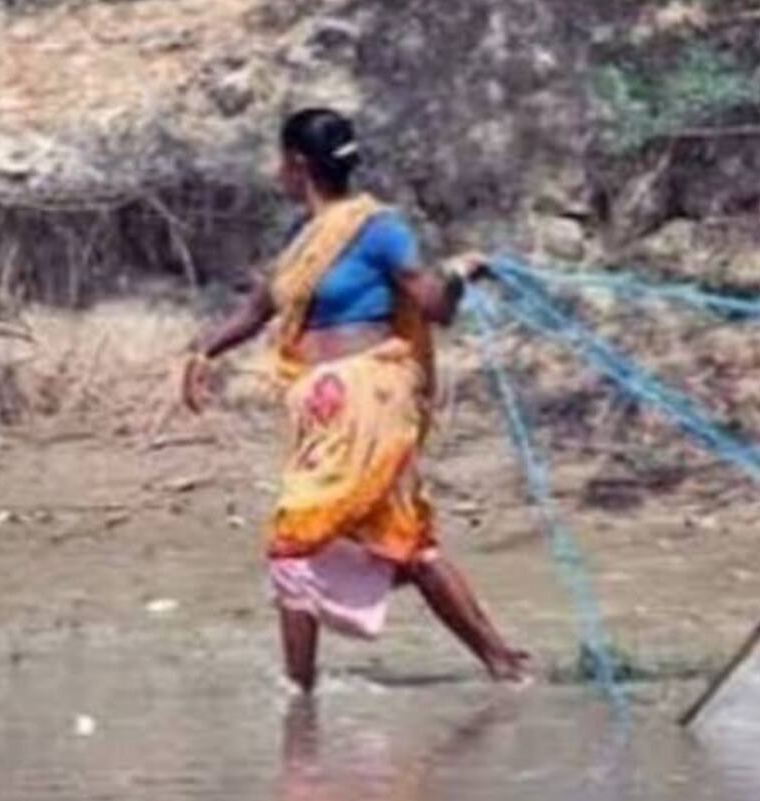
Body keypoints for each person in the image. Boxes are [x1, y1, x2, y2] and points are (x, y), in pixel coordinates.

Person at [180, 107, 533, 693]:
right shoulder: (303, 239)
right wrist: (202, 353)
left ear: (296, 165)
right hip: (324, 409)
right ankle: (502, 664)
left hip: (366, 398)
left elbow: (434, 305)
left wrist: (458, 271)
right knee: (407, 540)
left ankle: (298, 692)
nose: (278, 171)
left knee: (294, 537)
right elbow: (259, 308)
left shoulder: (380, 229)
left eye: (280, 161)